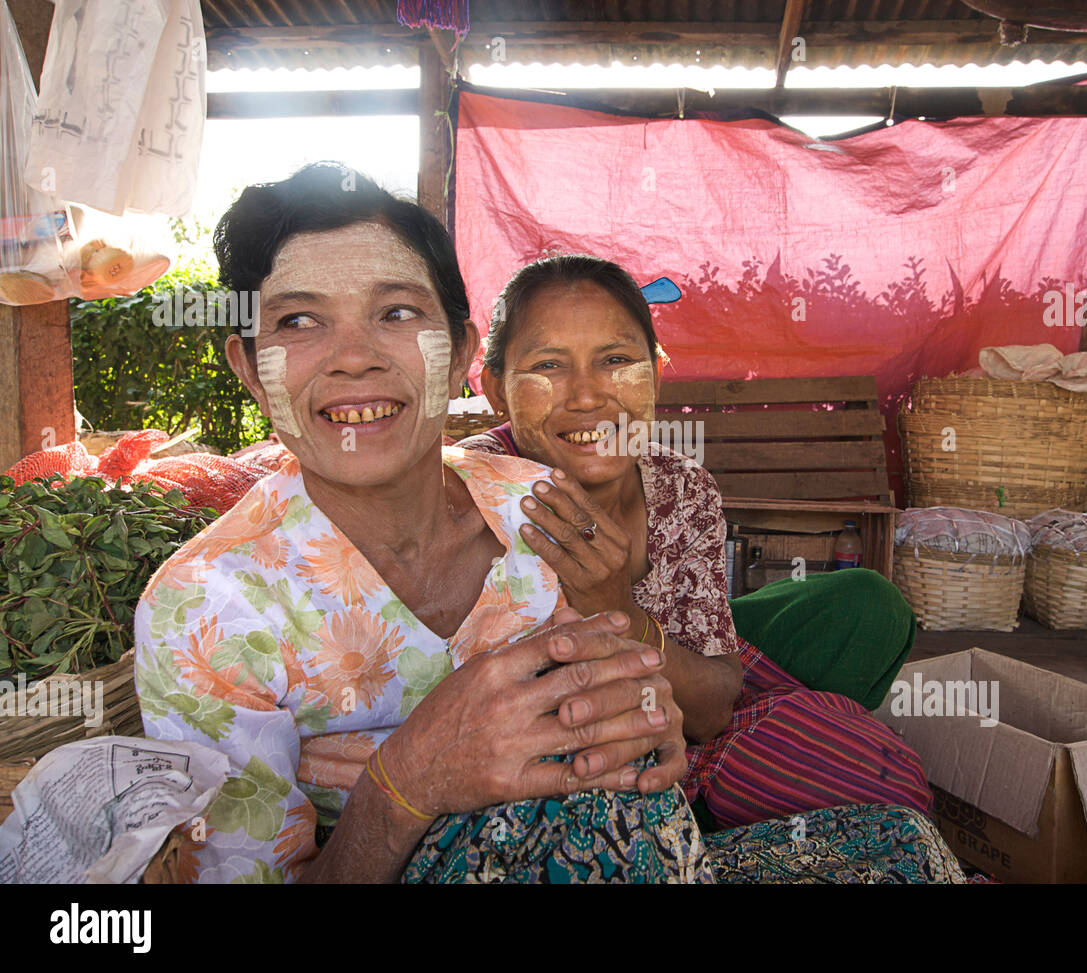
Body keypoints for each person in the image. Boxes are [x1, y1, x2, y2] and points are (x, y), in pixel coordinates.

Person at [132, 165, 706, 883]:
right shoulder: (206, 608)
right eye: (299, 321)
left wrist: (648, 719)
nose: (355, 358)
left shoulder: (542, 507)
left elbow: (626, 705)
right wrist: (406, 778)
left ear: (461, 352)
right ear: (250, 368)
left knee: (890, 838)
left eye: (397, 312)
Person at [461, 254, 937, 832]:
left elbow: (712, 706)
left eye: (616, 361)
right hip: (565, 752)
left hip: (678, 688)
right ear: (495, 389)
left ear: (656, 374)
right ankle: (716, 800)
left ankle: (735, 778)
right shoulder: (472, 493)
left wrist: (618, 610)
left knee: (867, 607)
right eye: (548, 365)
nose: (587, 396)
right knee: (860, 785)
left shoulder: (682, 487)